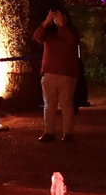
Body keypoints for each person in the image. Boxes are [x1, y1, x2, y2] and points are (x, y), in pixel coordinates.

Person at [32, 8, 82, 142]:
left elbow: (71, 41)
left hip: (67, 74)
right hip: (49, 73)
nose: (56, 19)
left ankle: (68, 134)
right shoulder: (49, 34)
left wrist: (62, 26)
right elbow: (37, 36)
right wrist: (46, 22)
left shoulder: (72, 31)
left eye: (59, 16)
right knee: (49, 105)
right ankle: (49, 132)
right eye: (55, 17)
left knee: (66, 105)